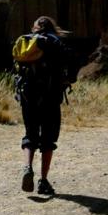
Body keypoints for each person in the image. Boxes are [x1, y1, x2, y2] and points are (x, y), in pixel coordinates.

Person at [14, 16, 72, 196]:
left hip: (27, 94)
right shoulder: (55, 42)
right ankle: (43, 181)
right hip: (50, 96)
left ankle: (27, 168)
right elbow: (70, 64)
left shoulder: (25, 42)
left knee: (30, 134)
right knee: (48, 139)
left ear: (37, 27)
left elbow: (17, 67)